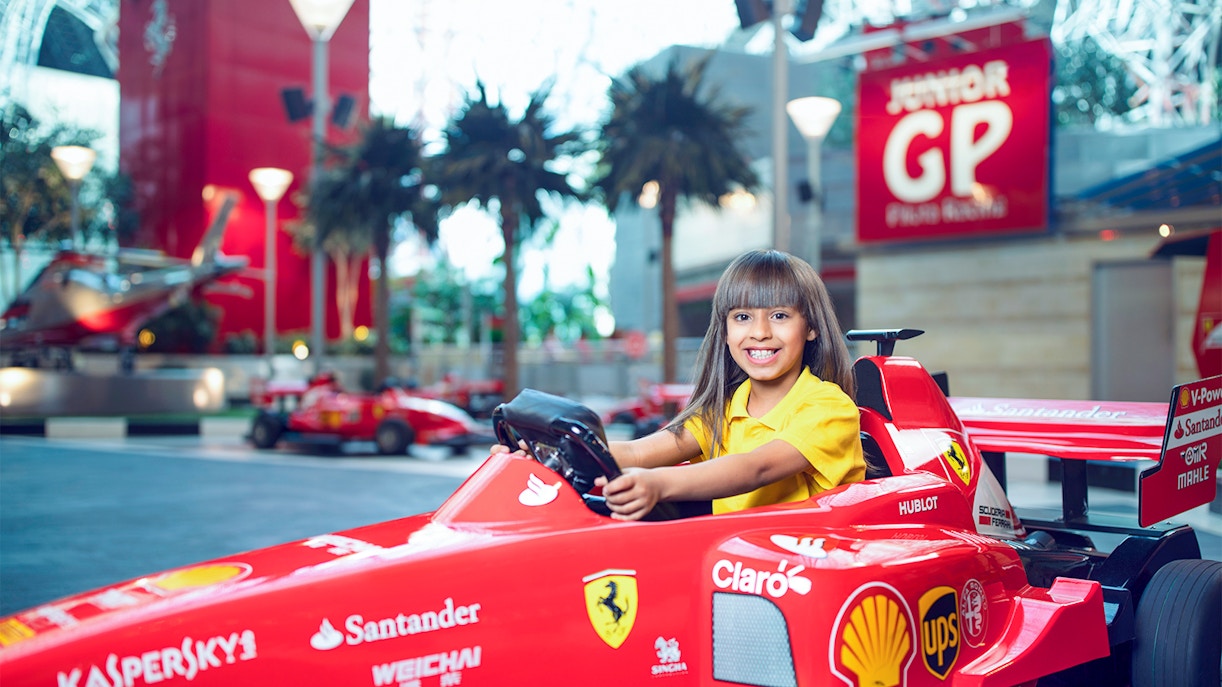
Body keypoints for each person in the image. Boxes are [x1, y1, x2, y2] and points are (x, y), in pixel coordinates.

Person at [496, 249, 865, 520]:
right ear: (724, 331)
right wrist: (551, 454)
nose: (760, 333)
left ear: (811, 327)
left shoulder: (828, 407)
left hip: (802, 563)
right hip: (733, 555)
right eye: (742, 317)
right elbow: (640, 453)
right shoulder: (725, 407)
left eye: (780, 316)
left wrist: (659, 485)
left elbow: (756, 468)